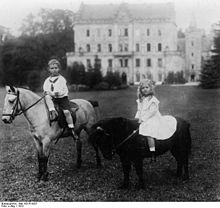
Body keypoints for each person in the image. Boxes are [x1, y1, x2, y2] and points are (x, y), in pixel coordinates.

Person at [135, 79, 177, 161]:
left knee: (149, 133)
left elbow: (152, 112)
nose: (145, 89)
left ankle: (152, 152)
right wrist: (137, 118)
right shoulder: (141, 100)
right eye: (143, 88)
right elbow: (139, 110)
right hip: (143, 118)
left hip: (153, 118)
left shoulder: (153, 100)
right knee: (136, 131)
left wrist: (143, 119)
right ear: (140, 90)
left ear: (150, 88)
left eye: (147, 87)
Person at [43, 58, 78, 139]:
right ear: (49, 69)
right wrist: (46, 93)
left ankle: (71, 128)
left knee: (66, 112)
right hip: (52, 100)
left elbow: (63, 91)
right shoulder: (47, 80)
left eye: (56, 68)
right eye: (52, 68)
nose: (54, 70)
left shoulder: (61, 79)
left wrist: (53, 93)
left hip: (62, 99)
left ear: (58, 69)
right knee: (47, 97)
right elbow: (45, 89)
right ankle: (52, 111)